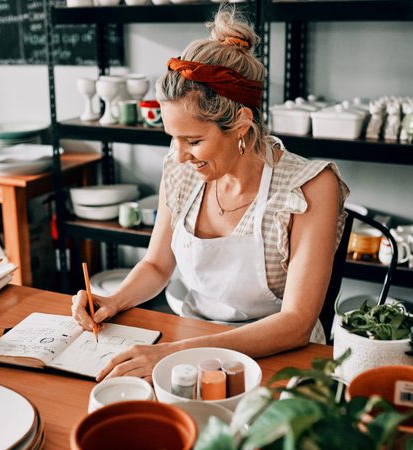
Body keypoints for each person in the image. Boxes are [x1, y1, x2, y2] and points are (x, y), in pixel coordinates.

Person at [72, 7, 349, 382]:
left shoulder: (309, 187)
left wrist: (171, 354)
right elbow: (156, 266)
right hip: (190, 341)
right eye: (173, 138)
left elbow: (297, 323)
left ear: (241, 125)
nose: (180, 154)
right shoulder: (181, 169)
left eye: (194, 140)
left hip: (276, 358)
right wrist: (113, 300)